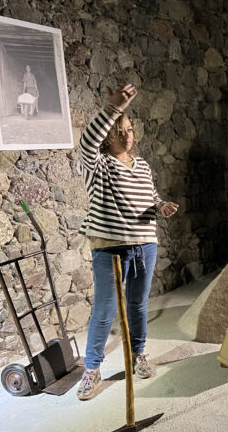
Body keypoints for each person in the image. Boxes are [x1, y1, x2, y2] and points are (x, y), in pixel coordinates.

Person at [76, 83, 179, 400]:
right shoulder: (98, 165)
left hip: (145, 244)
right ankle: (92, 369)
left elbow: (150, 198)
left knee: (137, 305)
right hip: (110, 245)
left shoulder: (143, 165)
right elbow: (86, 143)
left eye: (129, 130)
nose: (126, 136)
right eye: (118, 131)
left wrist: (160, 206)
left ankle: (138, 355)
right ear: (107, 136)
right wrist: (114, 108)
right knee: (105, 309)